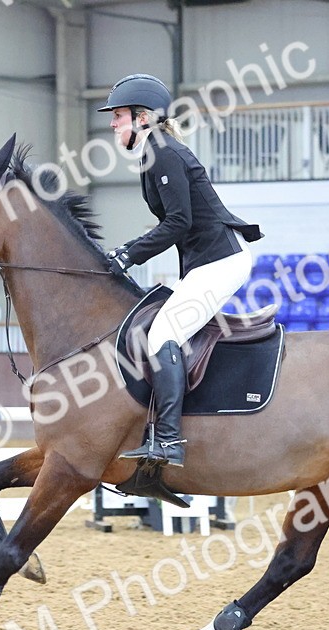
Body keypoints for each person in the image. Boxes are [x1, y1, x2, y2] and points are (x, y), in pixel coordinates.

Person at [99, 73, 264, 469]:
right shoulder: (155, 152)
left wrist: (129, 254)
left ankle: (170, 441)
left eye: (118, 115)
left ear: (142, 118)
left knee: (163, 334)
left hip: (220, 262)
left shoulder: (164, 153)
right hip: (204, 264)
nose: (112, 123)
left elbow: (179, 222)